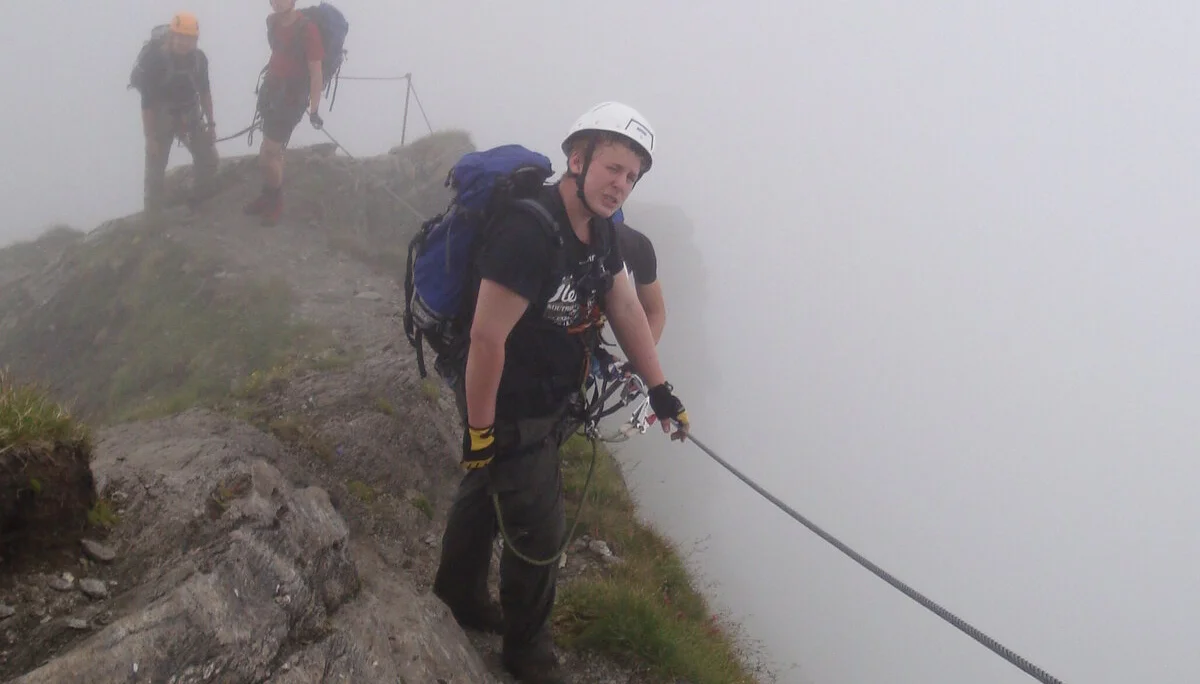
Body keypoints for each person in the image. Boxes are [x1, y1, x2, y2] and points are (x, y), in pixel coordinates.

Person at [431, 101, 690, 684]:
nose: (620, 184)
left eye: (632, 176)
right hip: (509, 399)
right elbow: (486, 337)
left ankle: (457, 593)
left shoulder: (601, 232)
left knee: (484, 484)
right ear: (578, 159)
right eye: (612, 168)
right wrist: (481, 427)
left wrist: (661, 390)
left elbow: (625, 306)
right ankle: (527, 654)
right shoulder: (531, 231)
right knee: (540, 532)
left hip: (549, 393)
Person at [243, 0, 326, 226]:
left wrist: (314, 108)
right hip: (272, 93)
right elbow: (278, 54)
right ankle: (268, 195)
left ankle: (275, 201)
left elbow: (316, 71)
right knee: (269, 151)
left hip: (291, 99)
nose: (278, 3)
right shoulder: (273, 23)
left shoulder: (307, 29)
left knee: (269, 153)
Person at [132, 12, 218, 216]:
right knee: (155, 170)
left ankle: (198, 203)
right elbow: (148, 104)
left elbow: (205, 92)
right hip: (161, 115)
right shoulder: (155, 60)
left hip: (190, 111)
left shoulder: (199, 60)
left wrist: (211, 124)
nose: (183, 42)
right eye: (179, 36)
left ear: (195, 40)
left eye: (188, 38)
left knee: (208, 159)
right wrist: (150, 138)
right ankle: (153, 220)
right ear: (171, 36)